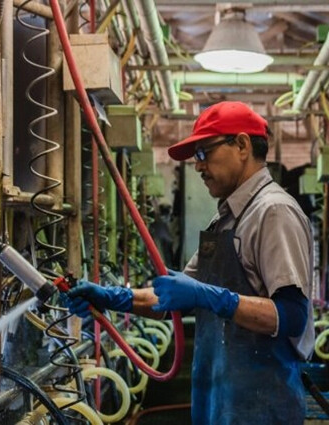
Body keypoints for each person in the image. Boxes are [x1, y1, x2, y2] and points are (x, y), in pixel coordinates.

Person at [65, 101, 314, 425]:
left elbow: (292, 315)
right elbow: (174, 300)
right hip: (220, 402)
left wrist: (211, 298)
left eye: (203, 153)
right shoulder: (226, 218)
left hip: (260, 408)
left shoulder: (273, 211)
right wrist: (114, 298)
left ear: (241, 145)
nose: (198, 166)